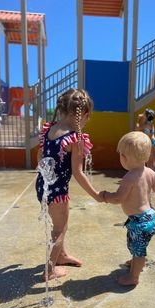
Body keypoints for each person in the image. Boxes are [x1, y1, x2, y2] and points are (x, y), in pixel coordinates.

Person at [36, 88, 102, 280]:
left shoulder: (49, 130)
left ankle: (62, 256)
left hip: (43, 186)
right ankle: (49, 270)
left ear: (62, 109)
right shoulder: (75, 138)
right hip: (58, 192)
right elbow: (78, 173)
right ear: (85, 115)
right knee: (60, 230)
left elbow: (40, 156)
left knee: (58, 225)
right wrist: (96, 194)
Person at [100, 131, 155, 286]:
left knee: (138, 248)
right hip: (150, 217)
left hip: (139, 221)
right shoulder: (150, 173)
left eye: (121, 155)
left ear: (125, 158)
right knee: (134, 244)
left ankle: (133, 277)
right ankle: (137, 260)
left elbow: (118, 198)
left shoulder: (129, 177)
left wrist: (105, 196)